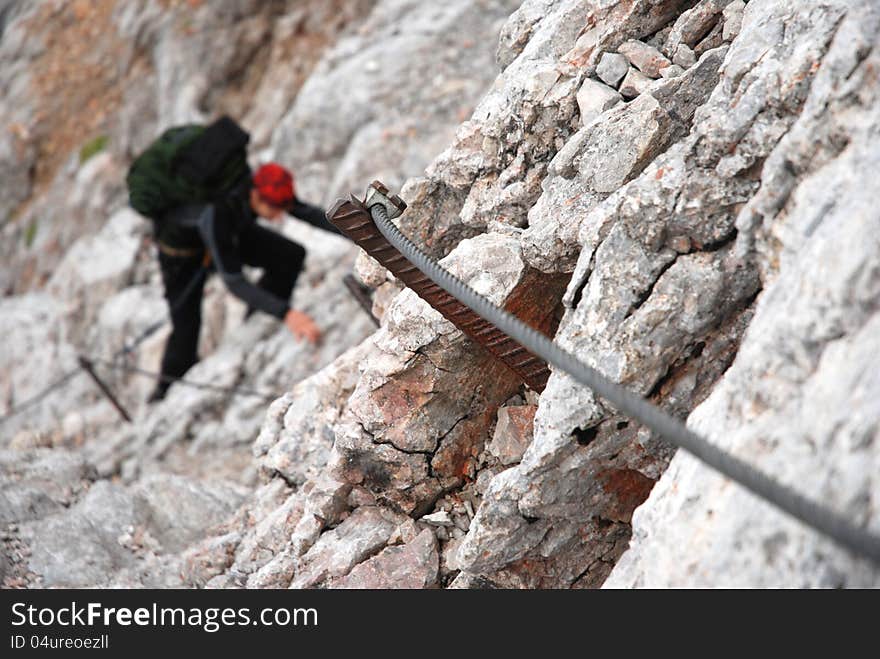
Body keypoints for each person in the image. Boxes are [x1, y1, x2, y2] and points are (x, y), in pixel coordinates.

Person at [148, 160, 342, 403]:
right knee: (186, 323)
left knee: (290, 255)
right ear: (257, 197)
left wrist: (361, 232)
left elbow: (306, 213)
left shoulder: (260, 188)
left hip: (230, 231)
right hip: (182, 254)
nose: (280, 216)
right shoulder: (218, 211)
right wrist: (289, 315)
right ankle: (165, 392)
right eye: (275, 209)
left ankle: (256, 324)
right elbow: (234, 283)